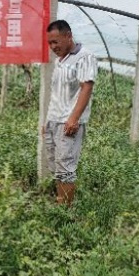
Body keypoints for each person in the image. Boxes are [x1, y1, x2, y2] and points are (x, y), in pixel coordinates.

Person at [43, 20, 97, 206]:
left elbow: (86, 88)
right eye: (50, 43)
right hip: (54, 120)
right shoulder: (61, 60)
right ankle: (60, 201)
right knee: (56, 164)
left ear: (68, 35)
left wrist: (73, 119)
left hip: (68, 123)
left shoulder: (84, 57)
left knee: (65, 166)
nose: (52, 47)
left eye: (55, 42)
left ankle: (65, 211)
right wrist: (47, 122)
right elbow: (58, 94)